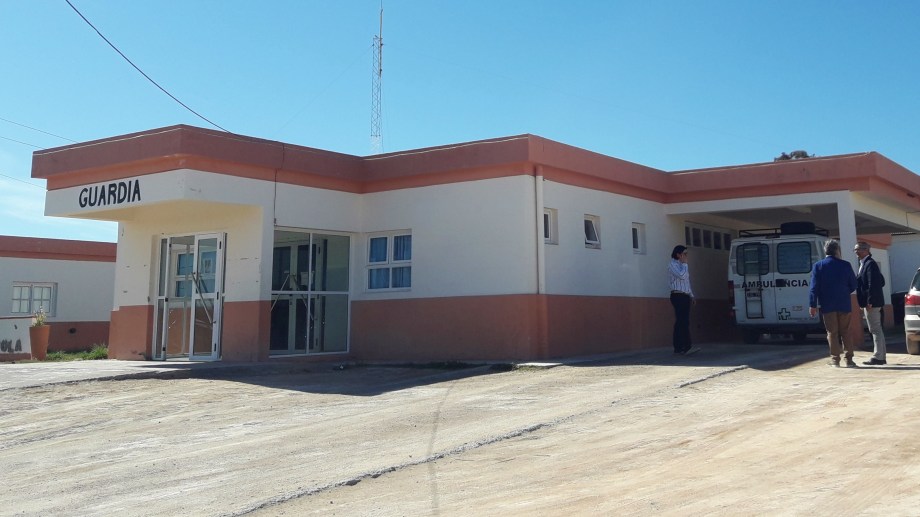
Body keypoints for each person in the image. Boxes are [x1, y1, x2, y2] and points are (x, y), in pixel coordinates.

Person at [809, 239, 858, 367]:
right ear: (837, 250)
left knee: (832, 332)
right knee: (846, 331)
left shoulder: (818, 266)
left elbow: (814, 288)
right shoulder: (846, 265)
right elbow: (854, 284)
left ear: (825, 251)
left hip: (827, 304)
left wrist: (812, 304)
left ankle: (835, 360)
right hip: (844, 303)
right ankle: (849, 360)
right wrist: (844, 292)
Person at [854, 241, 887, 365]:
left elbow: (872, 284)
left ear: (866, 250)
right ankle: (881, 356)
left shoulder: (870, 264)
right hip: (871, 302)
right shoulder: (865, 264)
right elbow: (881, 281)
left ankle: (878, 357)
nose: (856, 252)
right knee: (876, 329)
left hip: (872, 303)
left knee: (875, 329)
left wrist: (870, 301)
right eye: (855, 250)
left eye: (858, 249)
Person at [669, 245, 699, 355]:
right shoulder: (673, 264)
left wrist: (691, 295)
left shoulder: (683, 265)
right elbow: (681, 276)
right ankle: (685, 346)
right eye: (684, 254)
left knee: (682, 321)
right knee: (682, 321)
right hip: (677, 296)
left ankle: (680, 347)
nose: (686, 256)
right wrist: (685, 264)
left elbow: (686, 281)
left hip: (685, 295)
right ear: (678, 254)